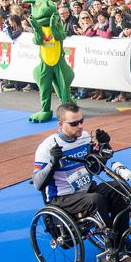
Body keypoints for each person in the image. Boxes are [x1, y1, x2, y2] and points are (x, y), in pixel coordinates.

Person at [32, 104, 125, 253]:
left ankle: (122, 240)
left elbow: (96, 169)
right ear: (61, 124)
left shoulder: (85, 137)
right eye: (74, 123)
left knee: (120, 187)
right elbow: (37, 184)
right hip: (63, 197)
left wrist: (104, 147)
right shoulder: (47, 147)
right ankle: (112, 243)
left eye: (82, 121)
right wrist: (52, 164)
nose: (80, 126)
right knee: (95, 200)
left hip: (87, 188)